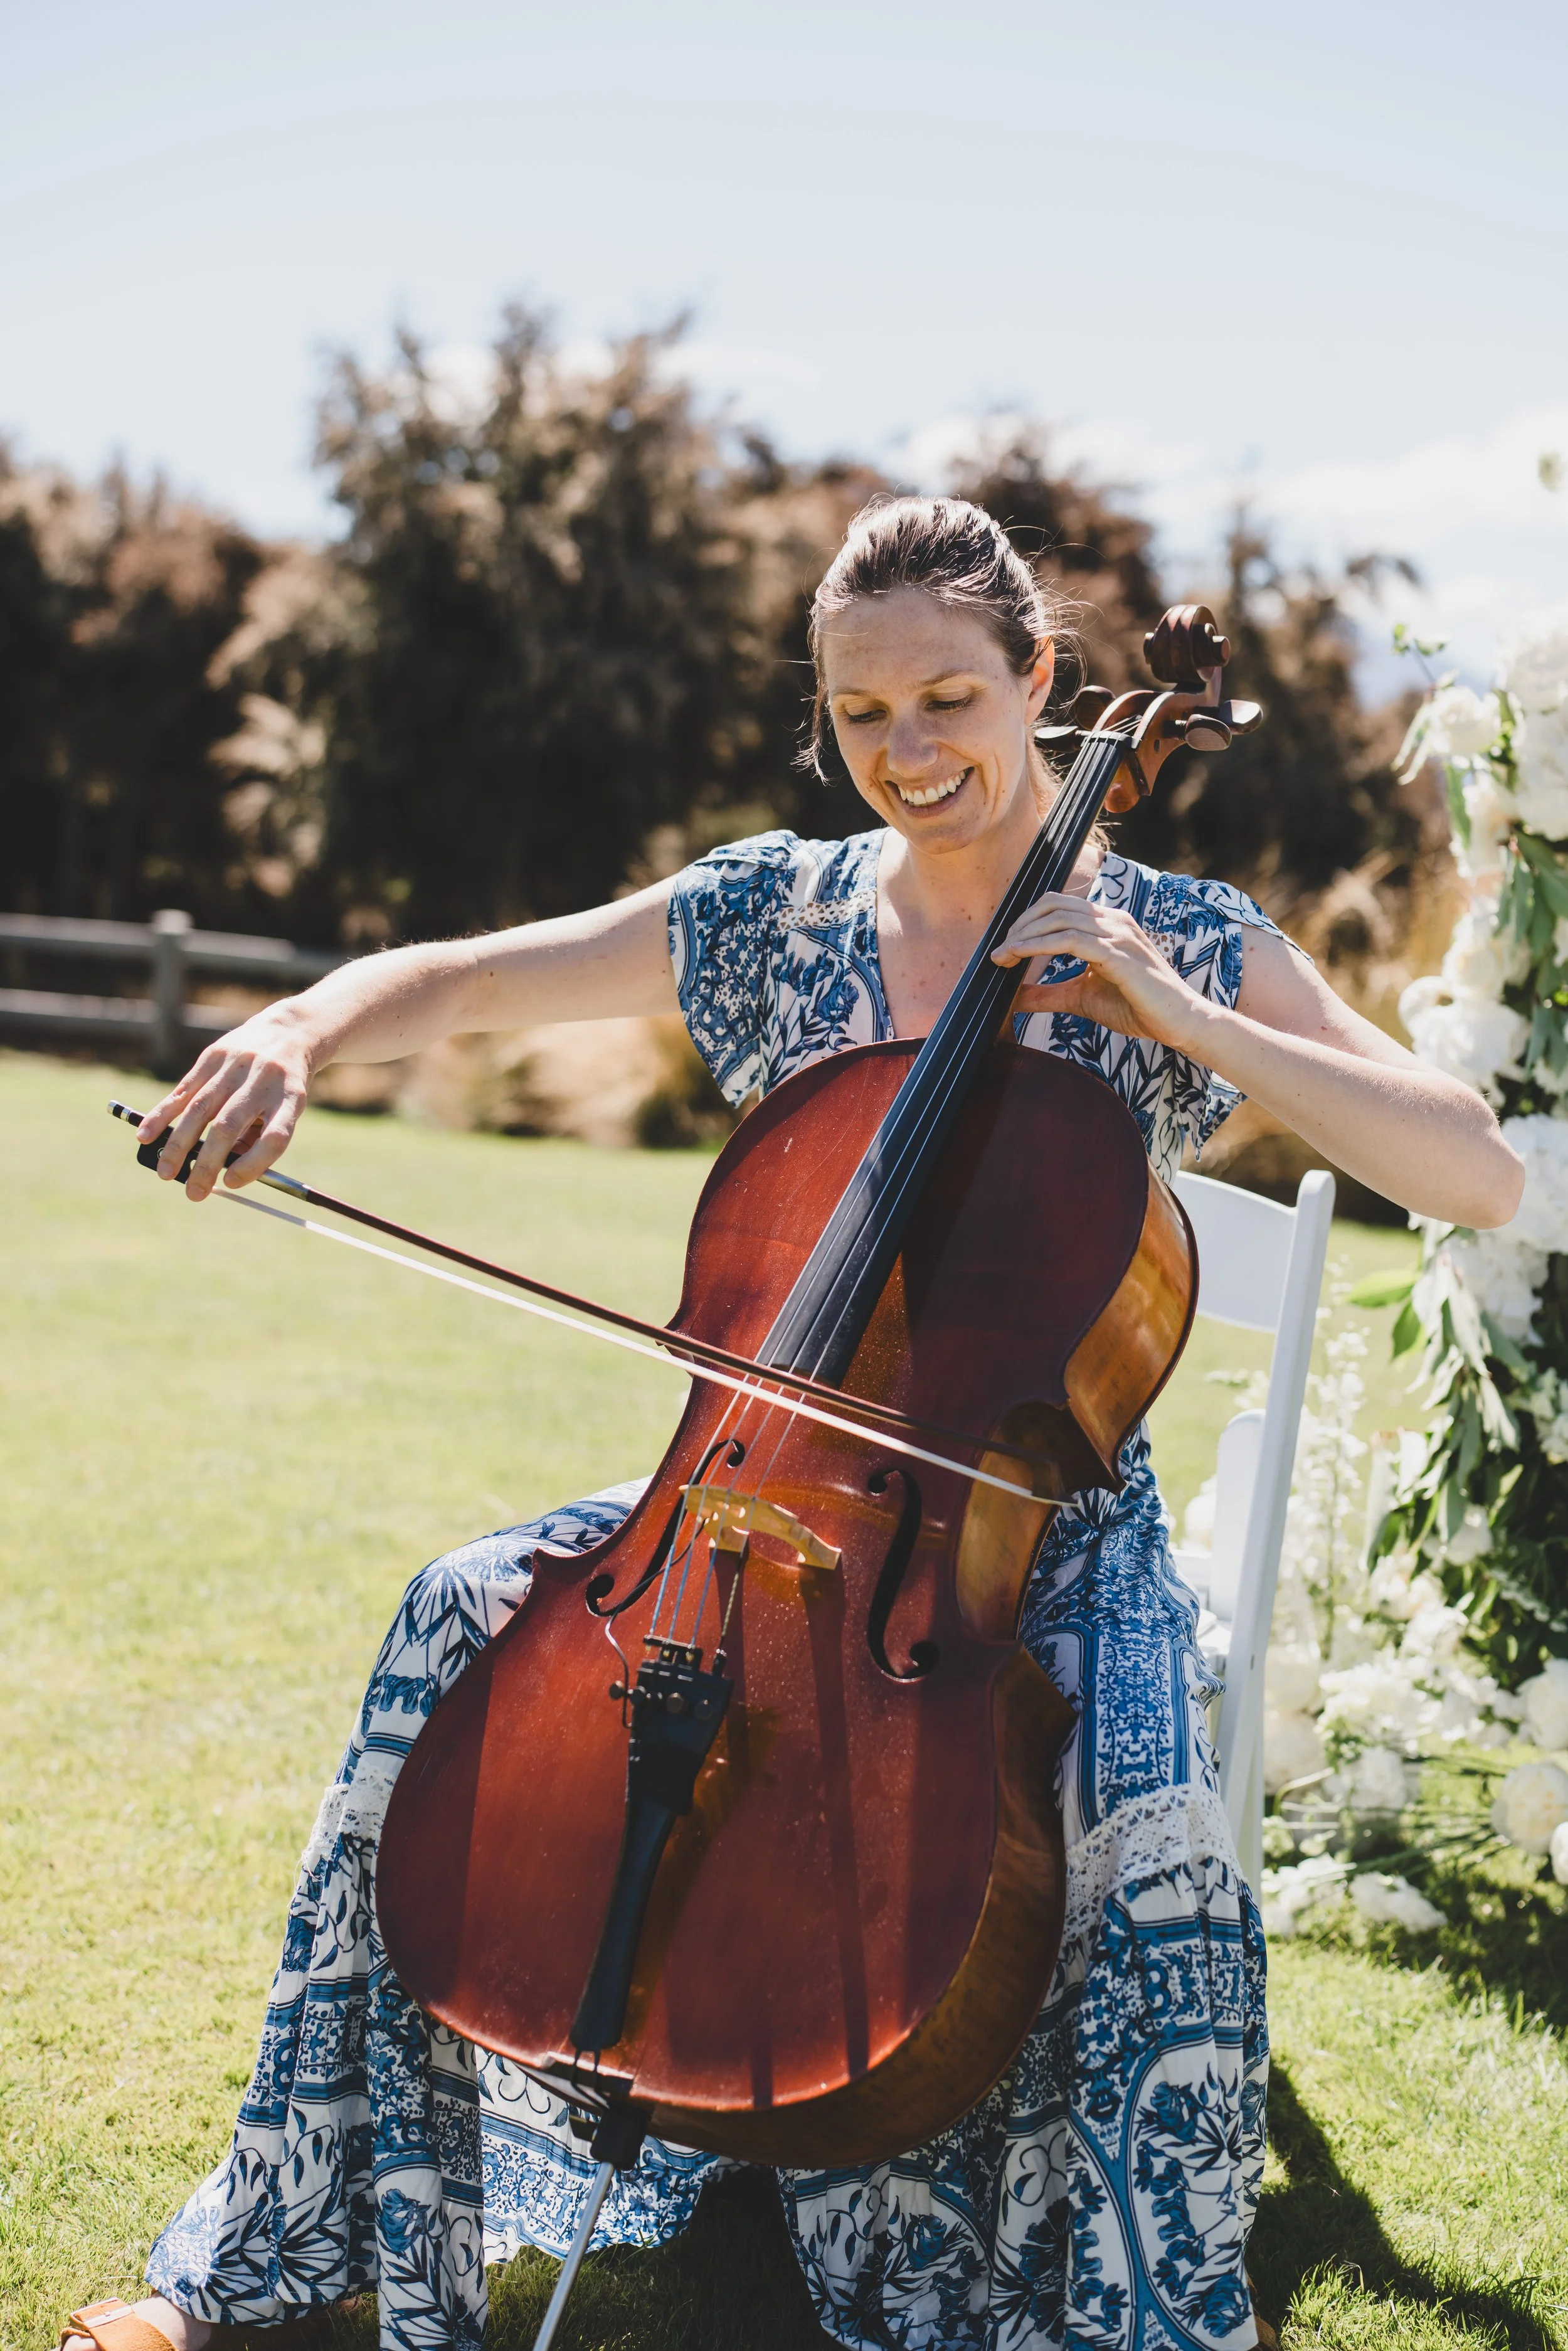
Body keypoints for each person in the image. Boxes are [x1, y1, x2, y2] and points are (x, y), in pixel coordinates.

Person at [64, 497, 1522, 2351]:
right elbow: (472, 977)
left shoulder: (1172, 933)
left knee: (1146, 1810)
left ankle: (1135, 2309)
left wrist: (1182, 1013)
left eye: (946, 700)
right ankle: (267, 2260)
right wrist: (298, 1030)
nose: (907, 754)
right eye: (860, 716)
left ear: (1040, 685)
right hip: (746, 1496)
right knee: (458, 1609)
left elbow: (1468, 1171)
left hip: (1030, 1538)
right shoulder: (774, 913)